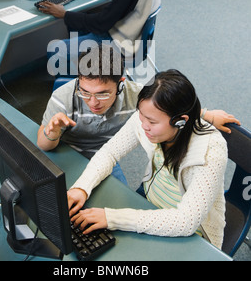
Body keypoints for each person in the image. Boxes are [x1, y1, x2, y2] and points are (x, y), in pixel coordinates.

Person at [67, 69, 232, 250]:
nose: (144, 125)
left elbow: (186, 221)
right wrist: (81, 188)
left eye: (152, 122)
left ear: (181, 121)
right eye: (141, 115)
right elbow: (110, 152)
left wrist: (112, 218)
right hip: (148, 201)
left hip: (190, 232)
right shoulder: (148, 116)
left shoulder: (210, 151)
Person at [38, 45, 240, 184]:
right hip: (67, 156)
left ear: (121, 83)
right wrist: (53, 133)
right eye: (85, 92)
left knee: (119, 203)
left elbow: (170, 108)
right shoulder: (63, 96)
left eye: (102, 94)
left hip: (107, 156)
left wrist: (206, 115)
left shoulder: (135, 94)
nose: (92, 102)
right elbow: (43, 145)